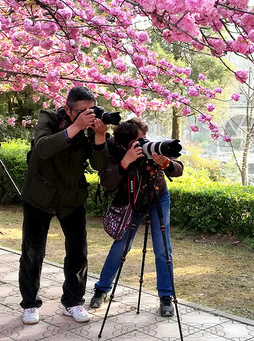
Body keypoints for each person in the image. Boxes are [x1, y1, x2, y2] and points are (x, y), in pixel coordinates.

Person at [19, 86, 109, 325]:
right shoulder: (48, 118)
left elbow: (101, 166)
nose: (88, 115)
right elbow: (43, 148)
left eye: (92, 110)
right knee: (32, 252)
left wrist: (99, 137)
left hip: (72, 198)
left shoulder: (92, 128)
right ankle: (29, 304)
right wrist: (76, 127)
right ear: (68, 109)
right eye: (81, 111)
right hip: (39, 196)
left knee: (78, 253)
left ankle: (73, 301)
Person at [90, 118, 183, 317]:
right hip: (130, 200)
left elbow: (179, 169)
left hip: (158, 196)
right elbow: (108, 182)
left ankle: (166, 296)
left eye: (145, 138)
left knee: (162, 248)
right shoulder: (114, 151)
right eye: (138, 141)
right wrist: (127, 161)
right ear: (124, 144)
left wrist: (165, 163)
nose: (144, 144)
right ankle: (102, 289)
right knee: (120, 246)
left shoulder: (151, 149)